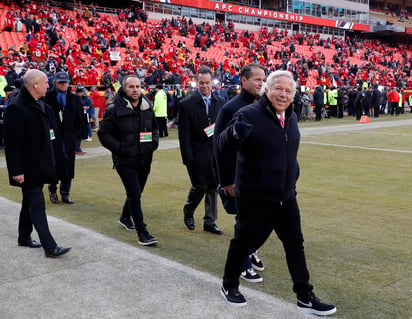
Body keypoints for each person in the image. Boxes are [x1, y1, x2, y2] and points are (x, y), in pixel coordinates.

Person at [218, 70, 336, 316]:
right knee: (242, 242)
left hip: (286, 196)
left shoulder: (291, 117)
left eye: (288, 90)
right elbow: (221, 145)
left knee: (295, 245)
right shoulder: (248, 114)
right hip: (255, 196)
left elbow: (288, 152)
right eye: (278, 88)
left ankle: (304, 296)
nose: (283, 94)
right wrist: (233, 135)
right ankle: (229, 285)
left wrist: (293, 176)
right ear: (266, 90)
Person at [3, 69, 71, 258]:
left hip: (41, 164)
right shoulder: (17, 107)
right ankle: (50, 246)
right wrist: (16, 170)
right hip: (27, 167)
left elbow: (51, 136)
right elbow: (11, 143)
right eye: (45, 83)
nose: (48, 85)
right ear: (35, 85)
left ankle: (24, 237)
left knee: (29, 202)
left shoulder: (41, 105)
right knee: (37, 203)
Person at [214, 63, 270, 283]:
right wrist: (227, 180)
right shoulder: (230, 108)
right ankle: (243, 263)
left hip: (261, 174)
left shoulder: (264, 105)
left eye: (263, 79)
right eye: (257, 79)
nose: (261, 83)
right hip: (239, 176)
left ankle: (249, 250)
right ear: (243, 81)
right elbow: (219, 147)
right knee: (244, 221)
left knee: (269, 218)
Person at [97, 75, 159, 246]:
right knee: (134, 194)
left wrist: (154, 143)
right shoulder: (114, 109)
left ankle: (125, 217)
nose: (135, 89)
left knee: (137, 192)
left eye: (138, 86)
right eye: (131, 86)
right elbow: (103, 133)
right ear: (124, 88)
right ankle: (143, 232)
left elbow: (154, 127)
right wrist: (120, 149)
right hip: (124, 160)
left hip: (145, 158)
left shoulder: (147, 106)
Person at [178, 66, 225, 235]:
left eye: (207, 83)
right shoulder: (186, 104)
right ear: (196, 83)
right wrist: (187, 157)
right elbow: (183, 135)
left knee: (213, 186)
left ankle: (209, 222)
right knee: (199, 186)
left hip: (216, 153)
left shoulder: (221, 102)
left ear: (212, 82)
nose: (204, 86)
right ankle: (189, 211)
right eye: (201, 83)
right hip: (196, 153)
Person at [45, 71, 86, 204]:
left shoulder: (74, 98)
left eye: (65, 82)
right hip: (53, 136)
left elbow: (80, 117)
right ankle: (52, 190)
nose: (63, 84)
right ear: (55, 82)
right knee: (54, 163)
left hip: (69, 137)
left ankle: (65, 192)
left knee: (68, 165)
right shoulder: (47, 97)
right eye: (60, 82)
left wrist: (78, 133)